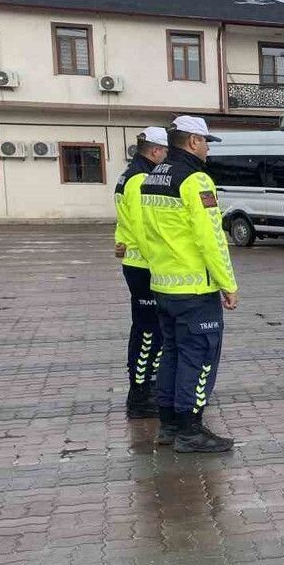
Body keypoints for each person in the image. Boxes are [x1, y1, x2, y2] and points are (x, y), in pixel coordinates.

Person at [138, 116, 238, 453]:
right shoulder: (196, 181)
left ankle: (168, 425)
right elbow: (212, 239)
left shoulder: (152, 177)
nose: (208, 149)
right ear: (193, 142)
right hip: (195, 289)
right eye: (206, 142)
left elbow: (146, 234)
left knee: (172, 355)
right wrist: (228, 283)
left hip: (163, 284)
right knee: (199, 358)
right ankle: (190, 429)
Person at [113, 126, 168, 419]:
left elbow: (122, 226)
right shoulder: (140, 180)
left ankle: (149, 388)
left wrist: (119, 244)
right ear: (156, 151)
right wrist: (160, 261)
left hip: (136, 263)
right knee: (149, 332)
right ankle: (140, 394)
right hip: (144, 266)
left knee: (148, 330)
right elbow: (141, 227)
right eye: (166, 152)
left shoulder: (128, 174)